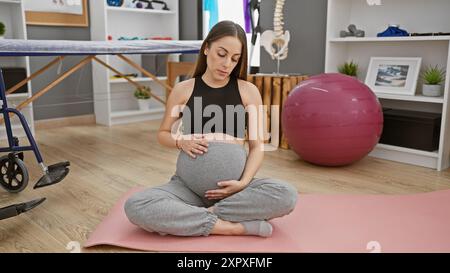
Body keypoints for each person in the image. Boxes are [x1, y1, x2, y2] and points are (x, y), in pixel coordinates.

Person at [124, 21, 297, 237]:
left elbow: (256, 146)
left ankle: (195, 217)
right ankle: (231, 227)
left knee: (286, 195)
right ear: (206, 48)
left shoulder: (248, 91)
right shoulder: (183, 90)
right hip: (186, 189)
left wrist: (243, 183)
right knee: (136, 205)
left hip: (234, 191)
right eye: (221, 54)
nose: (227, 64)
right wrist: (180, 141)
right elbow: (163, 134)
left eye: (235, 59)